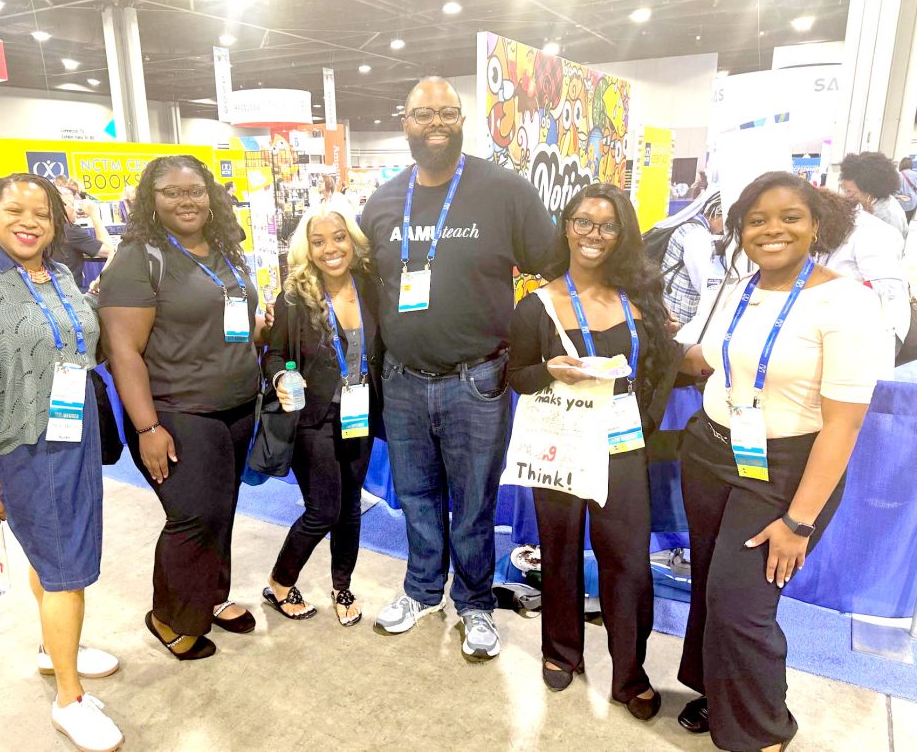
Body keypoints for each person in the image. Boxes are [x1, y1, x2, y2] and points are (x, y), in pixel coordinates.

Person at [675, 172, 892, 752]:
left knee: (741, 604)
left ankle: (764, 731)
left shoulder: (847, 301)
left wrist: (799, 522)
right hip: (710, 452)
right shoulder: (739, 286)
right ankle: (719, 694)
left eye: (790, 217)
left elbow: (843, 425)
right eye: (757, 220)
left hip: (784, 469)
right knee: (711, 585)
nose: (773, 229)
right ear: (740, 230)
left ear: (817, 225)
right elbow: (712, 358)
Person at [359, 76, 563, 660]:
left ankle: (475, 603)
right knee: (416, 496)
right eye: (424, 114)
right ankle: (422, 591)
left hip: (477, 381)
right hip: (402, 378)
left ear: (462, 121)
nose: (436, 124)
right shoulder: (383, 200)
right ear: (405, 122)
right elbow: (360, 279)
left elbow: (556, 265)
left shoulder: (504, 191)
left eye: (447, 113)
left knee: (474, 502)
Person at [0, 173, 123, 752]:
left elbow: (77, 339)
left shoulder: (57, 275)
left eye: (42, 212)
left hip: (73, 435)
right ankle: (69, 699)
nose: (29, 221)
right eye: (15, 210)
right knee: (67, 568)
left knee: (52, 556)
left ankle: (53, 649)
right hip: (23, 446)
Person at [507, 183, 674, 719]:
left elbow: (658, 369)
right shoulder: (537, 305)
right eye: (583, 222)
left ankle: (630, 672)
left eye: (607, 225)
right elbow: (517, 376)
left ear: (622, 234)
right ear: (566, 226)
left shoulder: (640, 301)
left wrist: (645, 422)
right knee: (558, 552)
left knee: (628, 561)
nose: (593, 235)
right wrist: (548, 370)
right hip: (560, 444)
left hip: (622, 447)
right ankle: (560, 651)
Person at [98, 155, 260, 660]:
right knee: (193, 515)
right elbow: (123, 350)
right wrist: (148, 427)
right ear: (151, 199)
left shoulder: (224, 247)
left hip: (237, 404)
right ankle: (169, 615)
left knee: (221, 509)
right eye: (171, 192)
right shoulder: (138, 258)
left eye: (195, 190)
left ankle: (210, 596)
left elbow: (229, 314)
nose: (186, 200)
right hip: (176, 409)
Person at [261, 198, 380, 626]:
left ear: (353, 240)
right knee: (323, 510)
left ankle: (342, 585)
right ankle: (279, 581)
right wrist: (281, 377)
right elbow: (274, 354)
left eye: (339, 237)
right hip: (313, 418)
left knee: (350, 507)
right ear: (307, 248)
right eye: (319, 241)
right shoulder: (295, 297)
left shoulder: (370, 287)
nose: (331, 248)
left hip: (360, 414)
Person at [812, 188, 911, 352]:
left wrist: (827, 286)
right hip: (836, 322)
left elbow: (885, 289)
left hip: (876, 330)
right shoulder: (832, 232)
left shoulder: (873, 234)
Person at [657, 190, 725, 326]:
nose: (725, 226)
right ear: (717, 213)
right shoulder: (698, 235)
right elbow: (702, 281)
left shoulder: (687, 225)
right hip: (680, 308)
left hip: (668, 299)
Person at [839, 151, 909, 239]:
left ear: (869, 190)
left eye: (849, 191)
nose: (846, 196)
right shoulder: (874, 203)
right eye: (845, 191)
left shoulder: (887, 216)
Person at [57, 186, 114, 290]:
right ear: (61, 207)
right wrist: (94, 215)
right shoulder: (70, 230)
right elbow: (109, 252)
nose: (75, 209)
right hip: (72, 293)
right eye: (72, 204)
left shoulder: (50, 228)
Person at [896, 157, 917, 224]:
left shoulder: (898, 175)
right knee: (907, 222)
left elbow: (894, 191)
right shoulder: (915, 174)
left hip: (900, 202)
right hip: (913, 203)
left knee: (898, 222)